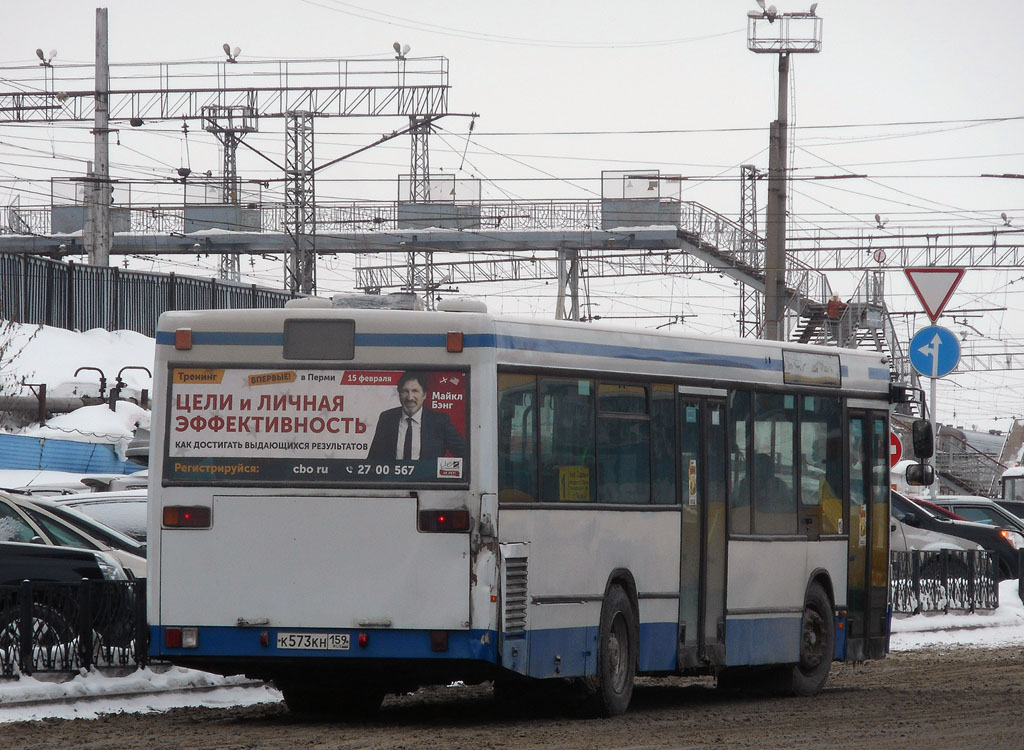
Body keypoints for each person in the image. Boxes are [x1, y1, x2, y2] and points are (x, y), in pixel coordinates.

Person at [367, 371, 466, 461]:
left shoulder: (439, 421)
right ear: (399, 394)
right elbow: (373, 459)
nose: (410, 397)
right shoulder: (387, 418)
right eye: (405, 391)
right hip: (394, 480)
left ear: (424, 395)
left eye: (415, 391)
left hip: (427, 480)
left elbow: (466, 453)